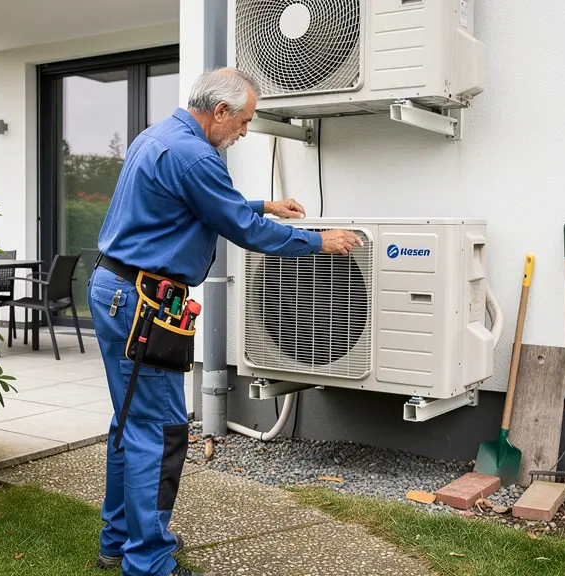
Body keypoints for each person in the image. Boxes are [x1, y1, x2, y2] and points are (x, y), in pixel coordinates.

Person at [86, 67, 363, 576]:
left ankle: (119, 541)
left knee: (131, 420)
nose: (244, 132)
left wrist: (264, 204)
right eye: (244, 122)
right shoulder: (196, 155)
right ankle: (147, 562)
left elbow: (193, 205)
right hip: (142, 303)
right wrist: (319, 241)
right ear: (220, 112)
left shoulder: (161, 136)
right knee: (161, 429)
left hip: (116, 291)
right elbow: (241, 229)